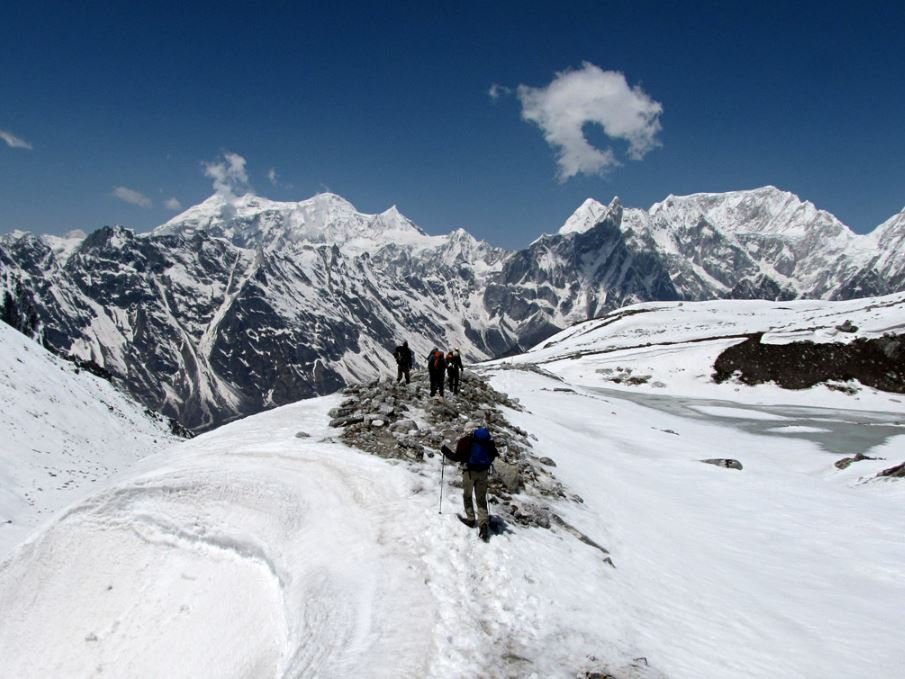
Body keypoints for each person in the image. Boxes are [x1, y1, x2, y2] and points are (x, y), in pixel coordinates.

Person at [450, 427, 498, 540]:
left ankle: (471, 519)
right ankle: (484, 524)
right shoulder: (489, 443)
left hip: (469, 473)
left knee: (467, 495)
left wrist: (445, 451)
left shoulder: (466, 441)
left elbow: (456, 457)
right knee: (481, 499)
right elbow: (493, 455)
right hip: (483, 473)